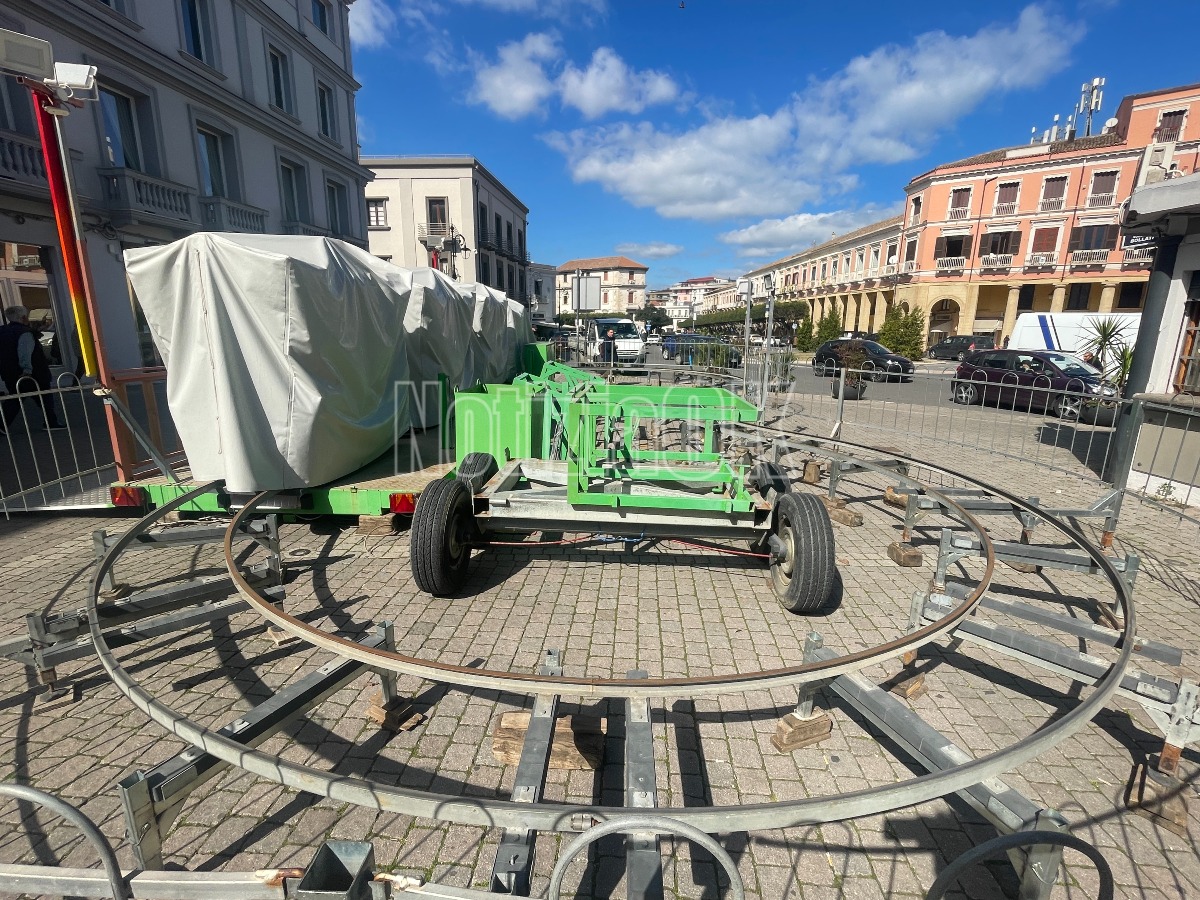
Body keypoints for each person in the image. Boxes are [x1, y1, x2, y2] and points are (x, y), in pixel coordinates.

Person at [0, 305, 65, 432]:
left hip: (10, 373)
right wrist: (27, 370)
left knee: (16, 398)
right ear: (23, 318)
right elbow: (25, 352)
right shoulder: (24, 333)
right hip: (32, 374)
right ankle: (51, 422)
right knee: (44, 397)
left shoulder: (3, 332)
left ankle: (50, 421)